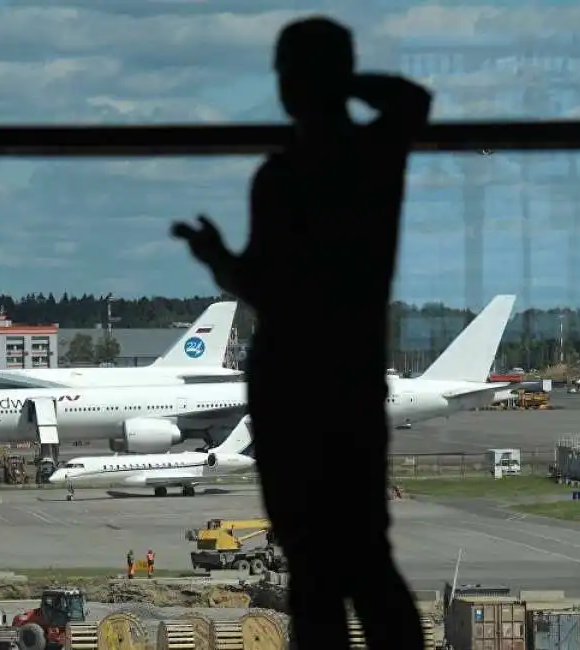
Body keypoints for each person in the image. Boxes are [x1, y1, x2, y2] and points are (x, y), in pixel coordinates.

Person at [171, 15, 431, 650]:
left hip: (289, 383)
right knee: (368, 555)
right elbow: (411, 101)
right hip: (350, 378)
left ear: (291, 84)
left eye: (288, 74)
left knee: (313, 568)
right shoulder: (374, 158)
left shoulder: (281, 177)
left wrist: (214, 258)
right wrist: (340, 84)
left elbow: (264, 288)